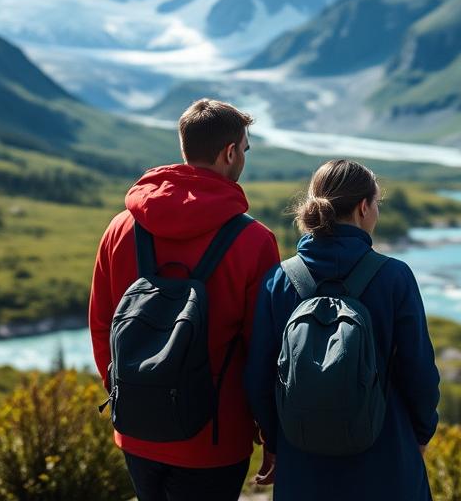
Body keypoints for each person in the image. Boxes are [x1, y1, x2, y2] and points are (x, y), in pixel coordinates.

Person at [89, 98, 280, 501]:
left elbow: (102, 323)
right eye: (244, 150)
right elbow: (262, 348)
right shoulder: (254, 241)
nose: (243, 158)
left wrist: (129, 389)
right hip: (214, 436)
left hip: (137, 428)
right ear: (230, 152)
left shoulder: (121, 228)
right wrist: (269, 430)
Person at [244, 159, 440, 500]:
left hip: (301, 459)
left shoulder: (279, 280)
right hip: (385, 454)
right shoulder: (394, 276)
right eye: (377, 203)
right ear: (363, 208)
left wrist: (277, 444)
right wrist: (419, 433)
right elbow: (418, 371)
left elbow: (259, 377)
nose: (377, 211)